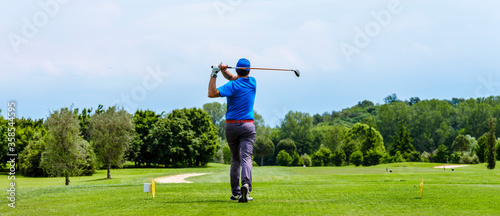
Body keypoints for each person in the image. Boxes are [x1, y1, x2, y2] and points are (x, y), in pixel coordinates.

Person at [208, 58, 256, 203]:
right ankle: (246, 185)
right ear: (249, 70)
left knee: (236, 159)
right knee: (246, 157)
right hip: (248, 126)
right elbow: (237, 77)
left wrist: (214, 73)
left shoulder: (232, 86)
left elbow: (212, 93)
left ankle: (236, 193)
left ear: (236, 69)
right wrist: (224, 71)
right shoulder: (253, 82)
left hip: (231, 126)